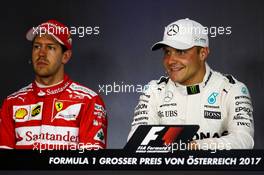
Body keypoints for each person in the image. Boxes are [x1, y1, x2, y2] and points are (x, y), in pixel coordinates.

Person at [128, 18, 254, 149]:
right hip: (167, 170)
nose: (170, 60)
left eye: (181, 51)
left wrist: (196, 146)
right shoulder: (153, 90)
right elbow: (137, 141)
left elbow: (244, 140)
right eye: (167, 52)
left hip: (215, 170)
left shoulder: (232, 89)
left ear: (203, 53)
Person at [0, 19, 107, 150]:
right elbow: (4, 165)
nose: (41, 53)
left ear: (65, 56)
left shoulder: (88, 101)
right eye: (37, 46)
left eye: (50, 47)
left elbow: (91, 165)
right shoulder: (12, 103)